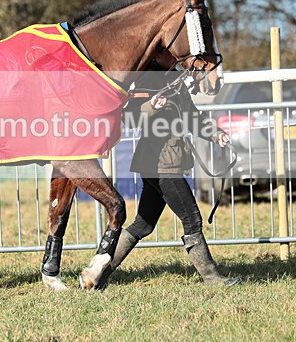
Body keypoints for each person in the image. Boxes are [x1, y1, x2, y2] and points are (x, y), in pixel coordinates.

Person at [97, 72, 241, 288]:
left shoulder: (177, 84)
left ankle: (99, 272)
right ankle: (211, 278)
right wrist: (151, 106)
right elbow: (131, 118)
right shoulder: (148, 80)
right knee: (192, 219)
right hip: (162, 166)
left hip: (165, 164)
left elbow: (193, 118)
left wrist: (215, 134)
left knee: (143, 224)